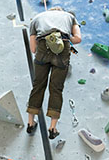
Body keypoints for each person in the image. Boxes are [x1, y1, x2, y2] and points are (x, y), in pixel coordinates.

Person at [25, 7, 82, 140]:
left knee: (38, 85)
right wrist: (66, 38)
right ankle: (53, 127)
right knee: (56, 88)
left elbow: (33, 49)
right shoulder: (69, 16)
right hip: (62, 47)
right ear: (61, 11)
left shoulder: (37, 18)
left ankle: (30, 122)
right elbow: (78, 39)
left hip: (42, 48)